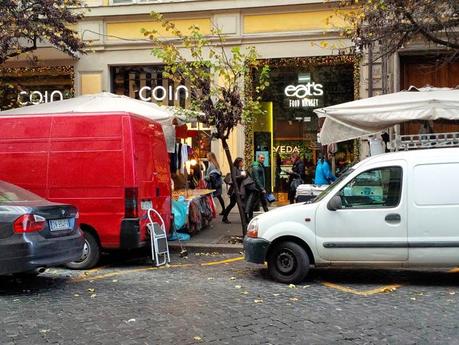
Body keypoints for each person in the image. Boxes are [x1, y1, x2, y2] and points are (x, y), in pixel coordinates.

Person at [222, 157, 247, 224]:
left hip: (239, 189)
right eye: (242, 162)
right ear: (239, 163)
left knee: (233, 204)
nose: (243, 163)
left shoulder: (240, 169)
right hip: (234, 190)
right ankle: (245, 219)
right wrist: (241, 177)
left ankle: (225, 217)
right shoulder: (235, 169)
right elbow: (234, 178)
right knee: (236, 204)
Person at [246, 153, 269, 221]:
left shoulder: (260, 165)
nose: (263, 159)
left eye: (263, 158)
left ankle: (268, 215)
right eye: (261, 158)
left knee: (263, 202)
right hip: (256, 188)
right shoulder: (256, 166)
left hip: (259, 187)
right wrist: (262, 188)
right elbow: (256, 179)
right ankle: (249, 217)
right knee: (253, 202)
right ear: (258, 158)